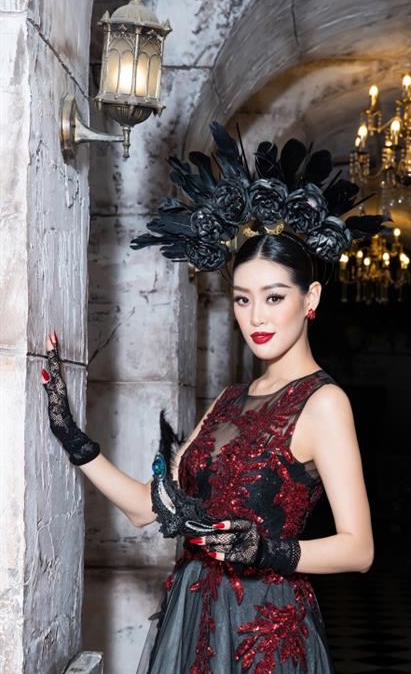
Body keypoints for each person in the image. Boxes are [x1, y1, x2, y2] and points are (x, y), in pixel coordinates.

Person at [41, 123, 391, 673]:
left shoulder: (324, 403)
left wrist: (267, 551)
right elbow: (148, 509)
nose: (257, 317)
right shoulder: (229, 400)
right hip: (193, 612)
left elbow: (358, 548)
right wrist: (71, 435)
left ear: (311, 298)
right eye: (243, 299)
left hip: (263, 627)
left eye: (274, 297)